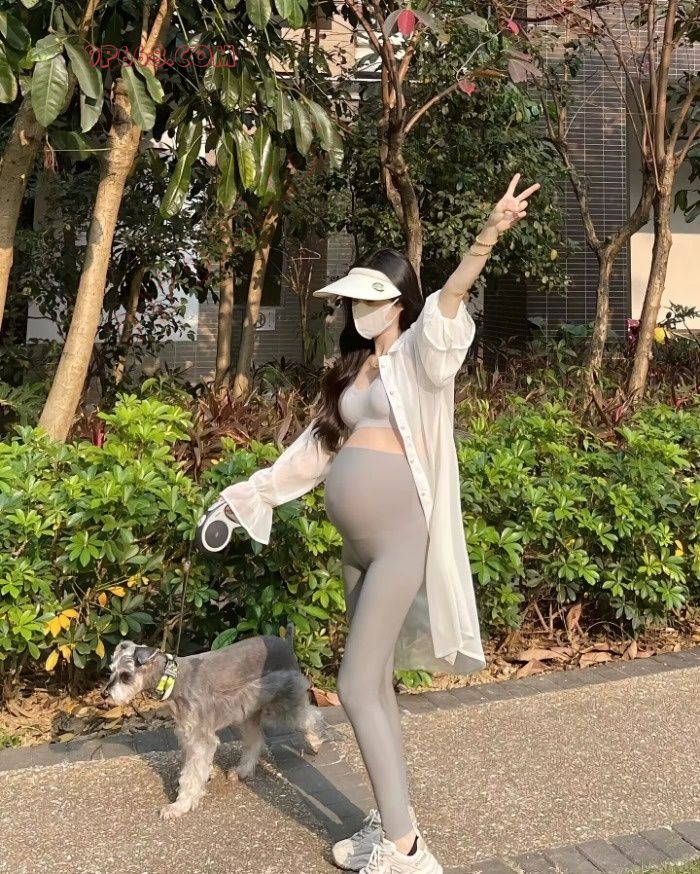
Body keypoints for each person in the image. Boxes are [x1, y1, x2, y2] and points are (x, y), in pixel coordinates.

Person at [218, 173, 540, 874]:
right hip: (357, 547)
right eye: (354, 301)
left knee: (357, 685)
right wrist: (248, 496)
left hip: (399, 540)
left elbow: (450, 301)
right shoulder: (353, 371)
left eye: (371, 299)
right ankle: (394, 822)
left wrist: (488, 235)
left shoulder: (422, 357)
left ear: (398, 303)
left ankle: (407, 852)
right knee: (379, 686)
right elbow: (313, 450)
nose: (360, 310)